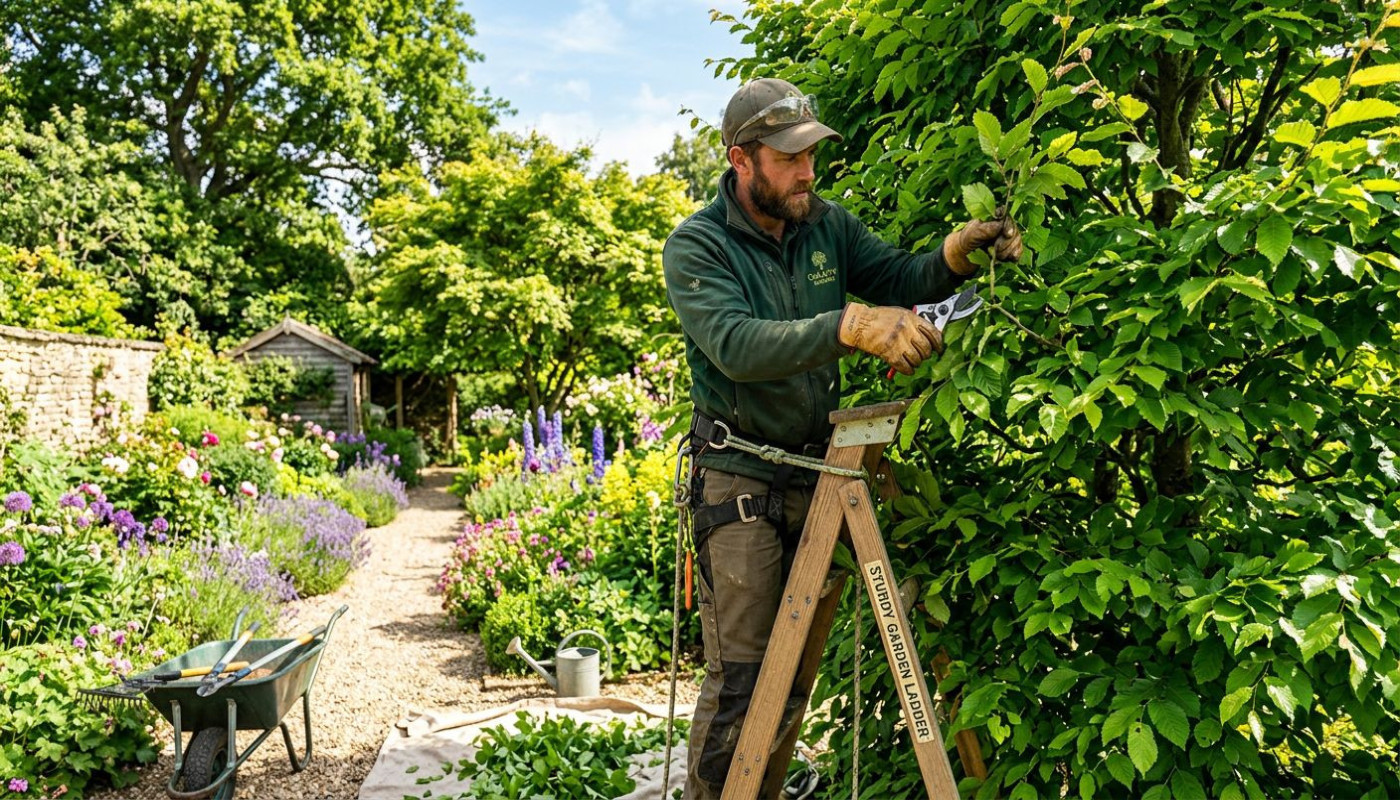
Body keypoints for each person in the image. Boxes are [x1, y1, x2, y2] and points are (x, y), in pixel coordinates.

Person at [661, 77, 1022, 799]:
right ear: (742, 159)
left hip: (818, 469)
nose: (807, 172)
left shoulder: (826, 225)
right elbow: (735, 344)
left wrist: (955, 254)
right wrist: (848, 325)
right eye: (790, 159)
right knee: (743, 680)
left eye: (811, 155)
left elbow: (901, 275)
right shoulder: (696, 247)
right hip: (739, 477)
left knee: (794, 677)